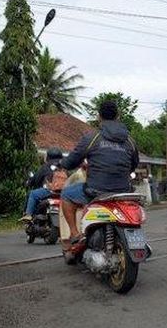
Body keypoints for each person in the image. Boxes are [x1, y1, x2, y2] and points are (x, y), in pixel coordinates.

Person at [59, 101, 139, 245]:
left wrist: (63, 164)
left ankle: (75, 233)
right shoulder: (130, 141)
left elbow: (71, 161)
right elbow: (133, 166)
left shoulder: (92, 138)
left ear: (98, 116)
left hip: (96, 191)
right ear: (118, 116)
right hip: (123, 191)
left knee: (66, 195)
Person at [20, 148, 64, 222]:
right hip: (64, 193)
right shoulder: (64, 167)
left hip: (50, 191)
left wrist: (28, 182)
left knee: (33, 194)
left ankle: (28, 215)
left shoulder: (45, 167)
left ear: (48, 157)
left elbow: (36, 179)